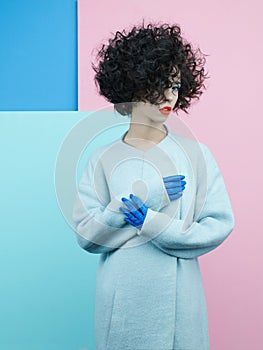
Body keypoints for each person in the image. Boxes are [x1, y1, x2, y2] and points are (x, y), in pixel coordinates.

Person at [72, 20, 235, 350]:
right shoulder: (102, 160)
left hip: (178, 311)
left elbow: (219, 224)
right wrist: (129, 207)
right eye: (157, 85)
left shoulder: (195, 154)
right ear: (131, 86)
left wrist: (153, 223)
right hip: (120, 310)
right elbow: (85, 234)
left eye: (174, 86)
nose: (168, 97)